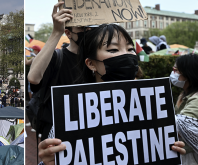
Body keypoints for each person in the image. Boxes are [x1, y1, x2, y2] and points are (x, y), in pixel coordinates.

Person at [38, 24, 186, 165]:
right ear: (91, 64)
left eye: (130, 49)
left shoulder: (155, 108)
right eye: (113, 50)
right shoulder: (70, 116)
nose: (126, 55)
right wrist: (49, 162)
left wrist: (171, 153)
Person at [27, 2, 92, 139]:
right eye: (82, 28)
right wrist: (56, 32)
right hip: (58, 135)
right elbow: (33, 77)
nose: (88, 31)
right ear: (68, 33)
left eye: (91, 27)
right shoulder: (57, 57)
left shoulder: (98, 58)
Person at [171, 54, 198, 164]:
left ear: (187, 74)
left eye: (175, 70)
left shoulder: (196, 99)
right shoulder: (184, 95)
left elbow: (181, 124)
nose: (173, 73)